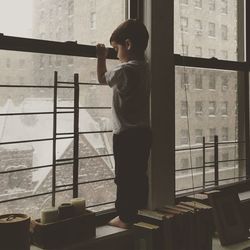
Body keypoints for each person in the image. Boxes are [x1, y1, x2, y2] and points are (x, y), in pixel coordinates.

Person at [96, 19, 151, 229]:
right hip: (144, 133)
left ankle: (125, 217)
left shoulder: (124, 71)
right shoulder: (144, 69)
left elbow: (102, 78)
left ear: (127, 45)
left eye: (115, 49)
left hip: (126, 134)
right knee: (138, 175)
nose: (115, 54)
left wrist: (101, 58)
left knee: (124, 177)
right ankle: (139, 211)